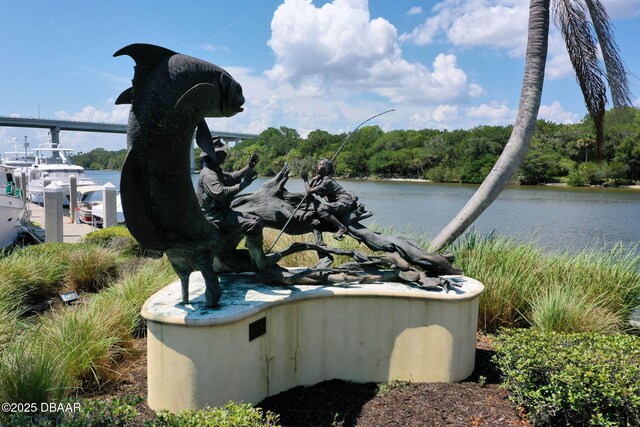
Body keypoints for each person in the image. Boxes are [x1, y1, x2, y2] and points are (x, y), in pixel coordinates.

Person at [196, 143, 267, 269]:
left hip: (223, 212)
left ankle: (256, 256)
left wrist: (249, 167)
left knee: (258, 220)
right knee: (253, 225)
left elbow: (232, 177)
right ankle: (260, 262)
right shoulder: (208, 175)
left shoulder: (215, 170)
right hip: (214, 216)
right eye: (222, 153)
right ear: (214, 155)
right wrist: (243, 185)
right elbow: (222, 193)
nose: (225, 155)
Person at [301, 158, 357, 241]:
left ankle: (341, 228)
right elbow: (309, 191)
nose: (317, 165)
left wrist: (305, 179)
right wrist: (313, 180)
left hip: (345, 202)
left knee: (322, 209)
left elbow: (309, 191)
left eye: (320, 164)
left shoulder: (326, 182)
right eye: (318, 164)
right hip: (343, 202)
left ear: (326, 169)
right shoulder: (323, 180)